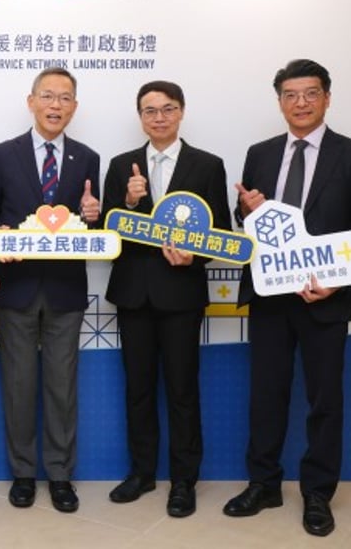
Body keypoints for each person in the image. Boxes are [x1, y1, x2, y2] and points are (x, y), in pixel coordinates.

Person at [223, 59, 351, 537]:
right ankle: (264, 483)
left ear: (327, 98)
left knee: (324, 398)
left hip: (325, 299)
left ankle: (317, 493)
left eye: (311, 93)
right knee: (266, 395)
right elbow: (246, 218)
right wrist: (247, 209)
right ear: (279, 102)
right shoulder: (260, 153)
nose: (301, 103)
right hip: (271, 297)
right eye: (291, 95)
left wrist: (338, 280)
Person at [101, 81, 230, 518]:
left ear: (181, 112)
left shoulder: (207, 165)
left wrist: (195, 255)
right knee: (137, 389)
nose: (159, 117)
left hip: (181, 294)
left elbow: (221, 232)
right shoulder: (121, 165)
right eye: (150, 110)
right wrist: (127, 200)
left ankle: (183, 480)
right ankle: (141, 473)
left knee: (182, 390)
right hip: (134, 294)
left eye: (167, 108)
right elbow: (108, 231)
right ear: (140, 116)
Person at [0, 67, 101, 512]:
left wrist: (94, 213)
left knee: (62, 387)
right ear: (31, 102)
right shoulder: (2, 154)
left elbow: (92, 224)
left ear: (74, 107)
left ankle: (61, 475)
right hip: (17, 286)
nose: (55, 105)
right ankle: (23, 474)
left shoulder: (87, 158)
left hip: (66, 289)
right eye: (47, 96)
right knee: (18, 385)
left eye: (64, 98)